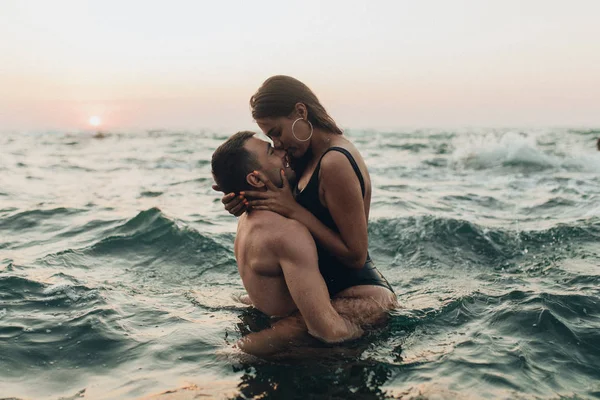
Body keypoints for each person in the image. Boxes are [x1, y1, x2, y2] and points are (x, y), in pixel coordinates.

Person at [216, 75, 396, 305]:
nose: (277, 143)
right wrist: (239, 198)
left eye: (277, 132)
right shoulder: (302, 154)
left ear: (301, 112)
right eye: (269, 137)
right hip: (318, 288)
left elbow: (356, 255)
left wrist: (294, 211)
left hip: (355, 290)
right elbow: (278, 199)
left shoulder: (335, 162)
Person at [212, 131, 365, 357]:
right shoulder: (286, 233)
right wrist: (368, 334)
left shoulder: (246, 219)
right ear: (255, 179)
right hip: (300, 357)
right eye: (271, 152)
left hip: (267, 325)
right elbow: (329, 331)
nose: (281, 150)